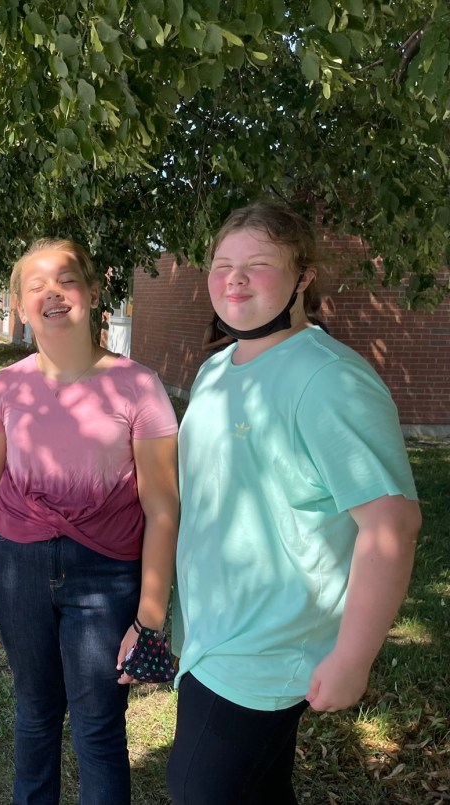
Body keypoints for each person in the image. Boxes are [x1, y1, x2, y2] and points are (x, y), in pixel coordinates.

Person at [167, 201, 421, 805]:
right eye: (221, 265)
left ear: (303, 276)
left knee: (196, 789)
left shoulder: (329, 378)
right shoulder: (216, 369)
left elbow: (391, 524)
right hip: (211, 631)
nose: (234, 279)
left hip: (267, 647)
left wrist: (353, 657)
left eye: (257, 264)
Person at [0, 238, 179, 805]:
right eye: (36, 286)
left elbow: (162, 507)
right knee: (34, 715)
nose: (52, 294)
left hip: (107, 575)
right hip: (18, 571)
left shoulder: (139, 386)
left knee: (98, 728)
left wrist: (149, 617)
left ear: (95, 292)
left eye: (67, 281)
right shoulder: (5, 389)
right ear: (19, 305)